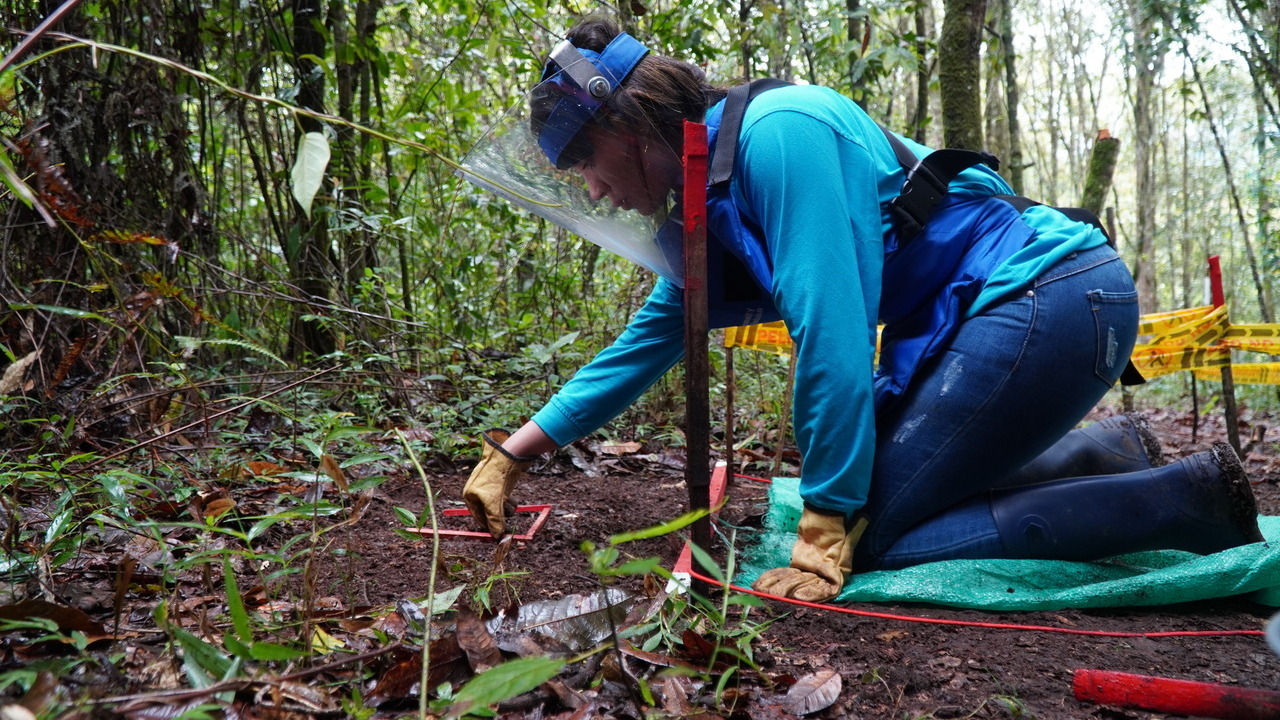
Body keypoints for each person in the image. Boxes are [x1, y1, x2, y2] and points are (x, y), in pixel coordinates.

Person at [460, 16, 1265, 603]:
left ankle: (1183, 501)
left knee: (872, 534)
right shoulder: (711, 197)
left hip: (1045, 296)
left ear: (629, 129)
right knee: (885, 491)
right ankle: (1109, 453)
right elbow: (645, 345)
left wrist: (825, 526)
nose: (593, 192)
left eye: (588, 165)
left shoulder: (779, 136)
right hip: (1014, 314)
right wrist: (512, 454)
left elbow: (834, 341)